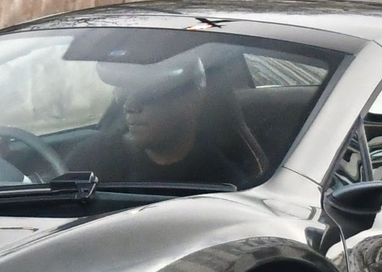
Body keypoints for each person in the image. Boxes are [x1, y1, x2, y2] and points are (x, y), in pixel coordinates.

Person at [65, 55, 266, 187]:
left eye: (148, 94)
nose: (129, 107)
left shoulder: (220, 184)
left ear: (192, 100)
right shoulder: (91, 157)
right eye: (125, 94)